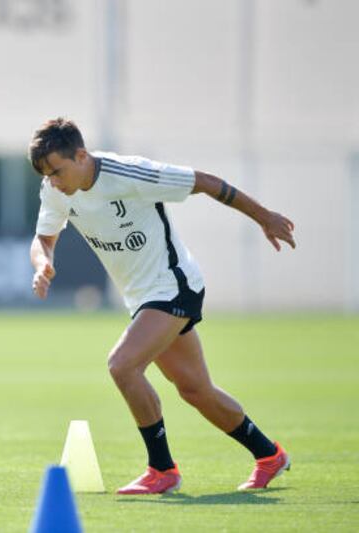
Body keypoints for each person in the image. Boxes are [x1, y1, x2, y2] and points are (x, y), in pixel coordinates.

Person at [28, 118, 296, 494]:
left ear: (81, 155)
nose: (54, 181)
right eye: (47, 174)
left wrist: (264, 217)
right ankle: (270, 456)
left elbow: (203, 182)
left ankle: (162, 469)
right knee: (195, 390)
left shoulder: (131, 173)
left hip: (174, 286)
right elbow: (44, 238)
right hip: (143, 298)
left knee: (122, 365)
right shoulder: (55, 189)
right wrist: (43, 263)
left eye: (58, 170)